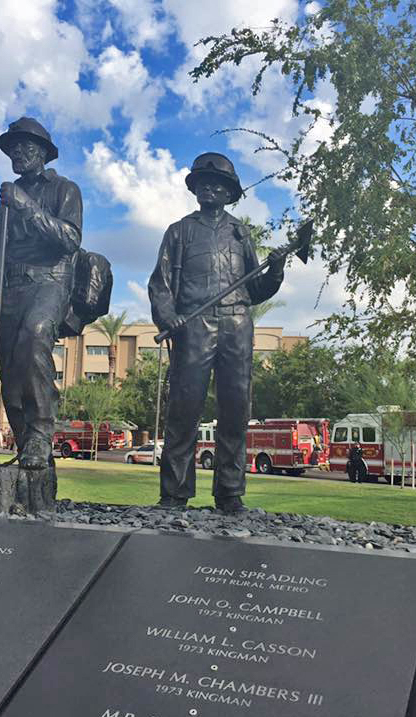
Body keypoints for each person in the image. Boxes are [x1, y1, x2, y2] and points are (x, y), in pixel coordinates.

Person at [148, 152, 286, 514]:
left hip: (237, 322)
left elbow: (255, 288)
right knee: (184, 406)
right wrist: (168, 317)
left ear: (229, 192)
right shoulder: (179, 231)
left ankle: (230, 491)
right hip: (193, 323)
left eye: (219, 184)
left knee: (236, 408)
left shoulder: (241, 233)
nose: (211, 187)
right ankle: (174, 492)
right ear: (195, 188)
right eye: (204, 182)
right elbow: (160, 286)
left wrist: (275, 270)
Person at [0, 117, 82, 470]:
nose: (18, 153)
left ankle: (40, 435)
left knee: (35, 337)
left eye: (27, 147)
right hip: (12, 286)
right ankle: (29, 448)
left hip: (50, 280)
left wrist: (25, 206)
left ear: (43, 154)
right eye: (13, 148)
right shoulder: (7, 197)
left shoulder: (63, 189)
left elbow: (69, 239)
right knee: (11, 373)